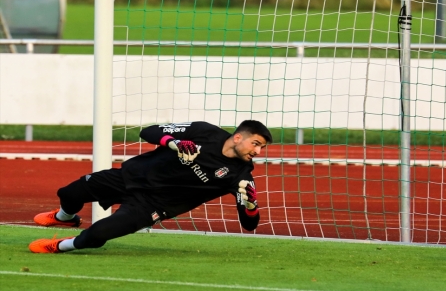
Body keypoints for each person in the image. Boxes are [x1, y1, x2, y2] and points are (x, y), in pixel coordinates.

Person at [28, 120, 272, 253]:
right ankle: (65, 217)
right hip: (130, 177)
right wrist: (173, 142)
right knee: (69, 193)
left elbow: (249, 224)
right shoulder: (204, 132)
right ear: (238, 137)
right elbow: (150, 131)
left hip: (152, 205)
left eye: (261, 148)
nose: (258, 152)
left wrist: (250, 203)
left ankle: (60, 246)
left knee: (98, 235)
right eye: (256, 144)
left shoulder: (241, 176)